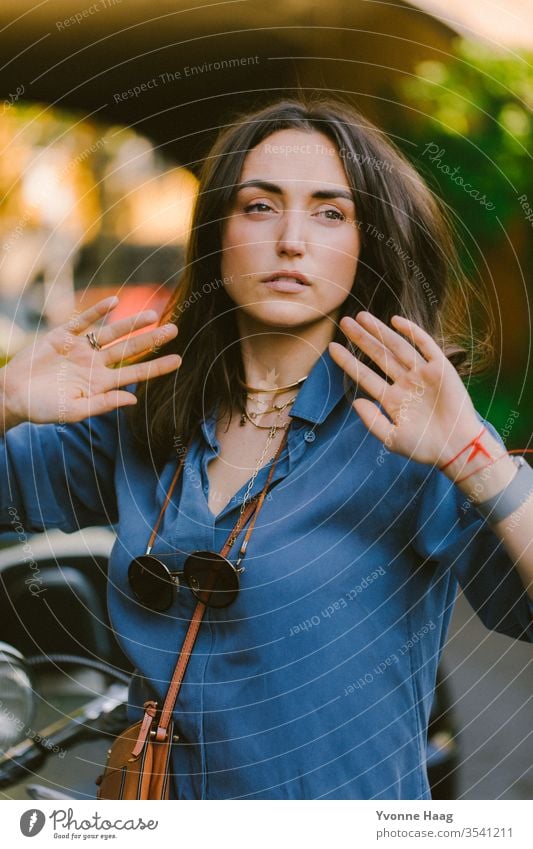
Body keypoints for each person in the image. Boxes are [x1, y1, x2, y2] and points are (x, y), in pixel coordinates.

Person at [0, 96, 531, 801]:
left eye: (329, 212)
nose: (290, 239)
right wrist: (3, 402)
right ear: (218, 231)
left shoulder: (413, 432)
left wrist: (477, 460)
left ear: (367, 242)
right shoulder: (143, 416)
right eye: (259, 206)